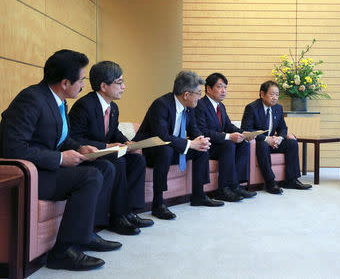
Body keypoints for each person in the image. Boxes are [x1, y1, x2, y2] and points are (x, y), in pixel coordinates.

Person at [0, 50, 120, 271]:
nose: (84, 85)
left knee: (105, 167)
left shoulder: (58, 101)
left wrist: (78, 147)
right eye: (81, 80)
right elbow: (12, 148)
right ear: (65, 82)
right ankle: (63, 252)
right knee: (90, 175)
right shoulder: (31, 99)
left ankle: (86, 234)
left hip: (46, 169)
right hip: (30, 175)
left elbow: (60, 139)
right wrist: (59, 158)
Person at [69, 61, 153, 235]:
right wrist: (106, 146)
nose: (124, 86)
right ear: (103, 86)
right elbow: (75, 138)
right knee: (118, 162)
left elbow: (113, 132)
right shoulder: (84, 106)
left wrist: (128, 143)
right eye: (119, 82)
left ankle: (129, 212)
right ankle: (117, 217)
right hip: (88, 156)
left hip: (105, 153)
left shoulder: (112, 107)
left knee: (137, 159)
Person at [134, 71, 223, 220]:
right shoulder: (161, 104)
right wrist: (190, 143)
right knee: (166, 149)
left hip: (173, 147)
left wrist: (201, 140)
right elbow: (161, 137)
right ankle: (158, 204)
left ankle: (198, 195)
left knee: (201, 149)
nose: (200, 98)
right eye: (198, 93)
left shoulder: (189, 107)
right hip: (152, 150)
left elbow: (194, 130)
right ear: (186, 94)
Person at [241, 80, 312, 194]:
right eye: (272, 94)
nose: (275, 97)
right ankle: (270, 182)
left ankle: (291, 180)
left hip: (274, 142)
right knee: (263, 145)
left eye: (277, 95)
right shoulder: (252, 108)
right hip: (259, 142)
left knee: (291, 143)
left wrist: (280, 138)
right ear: (262, 94)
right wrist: (266, 139)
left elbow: (283, 128)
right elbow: (246, 129)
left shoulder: (278, 108)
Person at [195, 73, 256, 202]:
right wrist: (228, 137)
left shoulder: (220, 106)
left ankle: (236, 185)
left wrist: (244, 134)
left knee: (243, 143)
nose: (224, 91)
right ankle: (222, 189)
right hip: (206, 146)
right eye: (220, 87)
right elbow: (203, 131)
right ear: (209, 89)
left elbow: (228, 125)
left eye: (225, 87)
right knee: (229, 144)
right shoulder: (200, 105)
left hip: (218, 144)